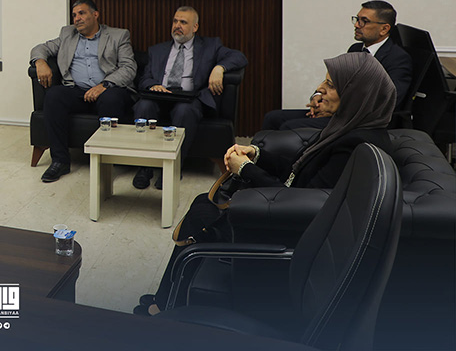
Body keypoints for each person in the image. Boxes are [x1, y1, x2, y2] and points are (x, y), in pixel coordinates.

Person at [137, 51, 395, 316]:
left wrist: (245, 169)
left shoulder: (354, 145)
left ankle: (164, 306)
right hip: (291, 222)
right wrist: (256, 154)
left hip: (285, 235)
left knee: (203, 210)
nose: (320, 88)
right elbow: (300, 169)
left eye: (330, 84)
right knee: (203, 204)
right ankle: (165, 299)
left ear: (356, 94)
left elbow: (297, 200)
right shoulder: (348, 127)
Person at [132, 6, 247, 190]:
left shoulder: (210, 46)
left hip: (189, 98)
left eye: (183, 22)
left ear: (195, 27)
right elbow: (144, 78)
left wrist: (220, 68)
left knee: (185, 110)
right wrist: (153, 85)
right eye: (175, 21)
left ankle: (173, 167)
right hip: (161, 96)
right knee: (143, 106)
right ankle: (144, 167)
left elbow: (239, 57)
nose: (177, 26)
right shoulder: (157, 50)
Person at [261, 0, 413, 130]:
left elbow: (387, 100)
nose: (357, 25)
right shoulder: (355, 49)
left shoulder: (397, 58)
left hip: (363, 122)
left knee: (289, 127)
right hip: (339, 113)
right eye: (357, 19)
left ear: (384, 29)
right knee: (273, 118)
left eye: (364, 21)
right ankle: (256, 154)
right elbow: (333, 82)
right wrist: (319, 97)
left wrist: (335, 107)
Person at [30, 0, 137, 182]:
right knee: (54, 95)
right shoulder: (67, 34)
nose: (77, 18)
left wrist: (103, 86)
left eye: (81, 13)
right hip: (77, 91)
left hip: (108, 90)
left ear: (95, 15)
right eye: (74, 15)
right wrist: (40, 62)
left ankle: (105, 160)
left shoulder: (118, 35)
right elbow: (40, 48)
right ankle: (60, 161)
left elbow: (129, 68)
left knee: (111, 99)